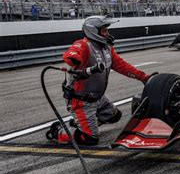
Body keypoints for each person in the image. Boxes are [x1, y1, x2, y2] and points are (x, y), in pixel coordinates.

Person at [46, 16, 155, 146]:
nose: (107, 34)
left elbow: (121, 65)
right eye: (104, 31)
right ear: (93, 31)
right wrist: (73, 59)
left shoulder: (106, 48)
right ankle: (58, 131)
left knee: (115, 116)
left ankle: (81, 123)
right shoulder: (84, 45)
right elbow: (71, 53)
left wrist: (142, 77)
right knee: (89, 139)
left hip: (98, 97)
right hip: (81, 100)